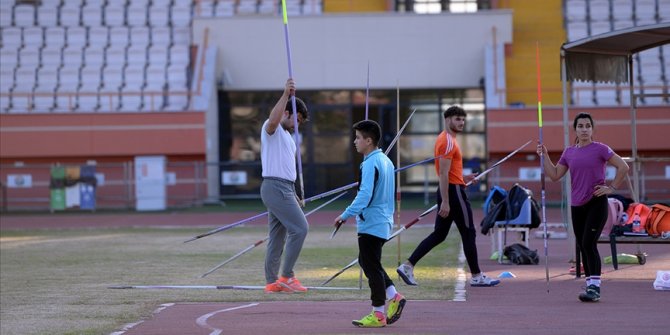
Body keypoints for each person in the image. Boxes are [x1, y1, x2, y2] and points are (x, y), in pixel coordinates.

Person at [397, 106, 500, 288]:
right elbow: (443, 174)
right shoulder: (447, 141)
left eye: (462, 119)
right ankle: (476, 276)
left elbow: (449, 172)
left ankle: (407, 266)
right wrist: (445, 201)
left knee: (439, 234)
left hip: (452, 188)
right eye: (457, 119)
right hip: (453, 193)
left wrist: (463, 178)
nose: (461, 122)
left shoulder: (446, 139)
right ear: (447, 119)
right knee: (468, 232)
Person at [537, 112, 629, 302]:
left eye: (588, 126)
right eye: (581, 126)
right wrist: (545, 155)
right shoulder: (569, 152)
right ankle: (590, 286)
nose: (584, 129)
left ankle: (595, 287)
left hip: (596, 202)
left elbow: (623, 167)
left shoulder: (601, 149)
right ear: (575, 129)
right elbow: (555, 175)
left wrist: (611, 188)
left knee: (588, 243)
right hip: (576, 205)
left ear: (592, 129)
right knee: (583, 245)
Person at [334, 120, 406, 328]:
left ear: (369, 140)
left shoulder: (369, 163)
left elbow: (364, 195)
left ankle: (378, 314)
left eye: (357, 138)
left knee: (371, 267)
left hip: (371, 223)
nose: (354, 141)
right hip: (383, 222)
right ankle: (394, 296)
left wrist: (345, 214)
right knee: (367, 262)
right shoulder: (387, 161)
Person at [261, 78, 310, 293]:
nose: (297, 124)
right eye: (296, 119)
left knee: (277, 237)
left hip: (284, 188)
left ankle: (272, 282)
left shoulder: (289, 137)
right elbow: (273, 121)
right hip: (274, 187)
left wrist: (294, 194)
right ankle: (287, 276)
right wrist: (285, 95)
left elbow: (286, 170)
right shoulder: (271, 128)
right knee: (300, 229)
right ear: (287, 113)